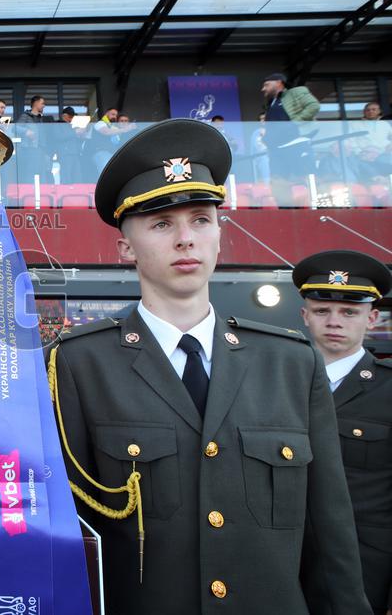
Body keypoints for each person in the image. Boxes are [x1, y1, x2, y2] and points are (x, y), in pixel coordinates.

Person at [47, 118, 369, 614]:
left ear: (220, 233)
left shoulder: (290, 363)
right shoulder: (78, 365)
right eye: (161, 224)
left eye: (201, 219)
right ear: (125, 247)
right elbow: (69, 537)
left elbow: (329, 539)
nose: (185, 239)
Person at [292, 250, 392, 615]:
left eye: (350, 312)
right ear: (305, 316)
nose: (335, 321)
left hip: (365, 575)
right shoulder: (274, 386)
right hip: (281, 569)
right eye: (322, 310)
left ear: (372, 318)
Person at [261, 73, 319, 204]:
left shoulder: (295, 93)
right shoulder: (271, 103)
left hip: (296, 145)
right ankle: (286, 212)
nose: (263, 89)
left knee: (302, 180)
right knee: (278, 183)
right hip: (278, 150)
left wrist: (294, 123)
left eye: (266, 85)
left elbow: (313, 106)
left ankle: (310, 210)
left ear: (279, 83)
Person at [349, 102, 392, 181]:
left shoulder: (385, 124)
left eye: (373, 109)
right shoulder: (355, 124)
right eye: (368, 110)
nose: (370, 111)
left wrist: (388, 148)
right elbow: (351, 141)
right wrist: (360, 153)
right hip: (364, 156)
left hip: (383, 154)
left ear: (379, 111)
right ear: (364, 112)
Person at [15, 95, 54, 184]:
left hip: (42, 150)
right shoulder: (26, 116)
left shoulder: (41, 118)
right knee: (30, 173)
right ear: (36, 103)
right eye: (42, 103)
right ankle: (30, 195)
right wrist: (26, 132)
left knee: (43, 173)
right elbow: (15, 128)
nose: (44, 106)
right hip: (30, 149)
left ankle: (43, 194)